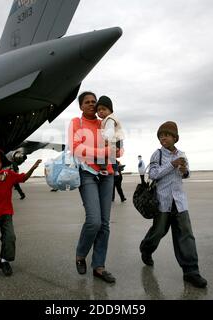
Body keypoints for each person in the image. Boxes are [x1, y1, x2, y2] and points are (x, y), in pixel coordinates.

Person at [139, 121, 207, 288]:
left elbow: (186, 174)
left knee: (186, 235)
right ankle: (146, 248)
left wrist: (184, 170)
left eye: (167, 135)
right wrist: (172, 164)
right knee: (158, 231)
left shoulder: (182, 154)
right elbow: (153, 174)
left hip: (180, 202)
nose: (163, 138)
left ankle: (191, 271)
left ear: (175, 137)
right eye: (161, 136)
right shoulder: (157, 155)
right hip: (162, 201)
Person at [69, 91, 121, 283]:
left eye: (94, 102)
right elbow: (76, 148)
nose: (92, 105)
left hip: (106, 174)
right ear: (81, 106)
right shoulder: (77, 123)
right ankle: (81, 254)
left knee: (105, 224)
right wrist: (105, 151)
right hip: (87, 173)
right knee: (94, 221)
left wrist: (117, 149)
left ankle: (99, 266)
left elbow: (119, 149)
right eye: (87, 102)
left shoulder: (105, 122)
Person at [0, 149, 41, 276]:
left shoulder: (8, 174)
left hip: (6, 213)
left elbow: (22, 178)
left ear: (2, 163)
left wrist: (32, 168)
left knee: (10, 237)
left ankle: (4, 261)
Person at [96, 95, 125, 176]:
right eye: (98, 110)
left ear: (110, 110)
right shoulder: (106, 119)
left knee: (103, 155)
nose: (101, 111)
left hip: (115, 140)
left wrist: (105, 140)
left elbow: (110, 131)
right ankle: (115, 169)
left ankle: (103, 169)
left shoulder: (110, 119)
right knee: (111, 156)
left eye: (104, 109)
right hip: (117, 141)